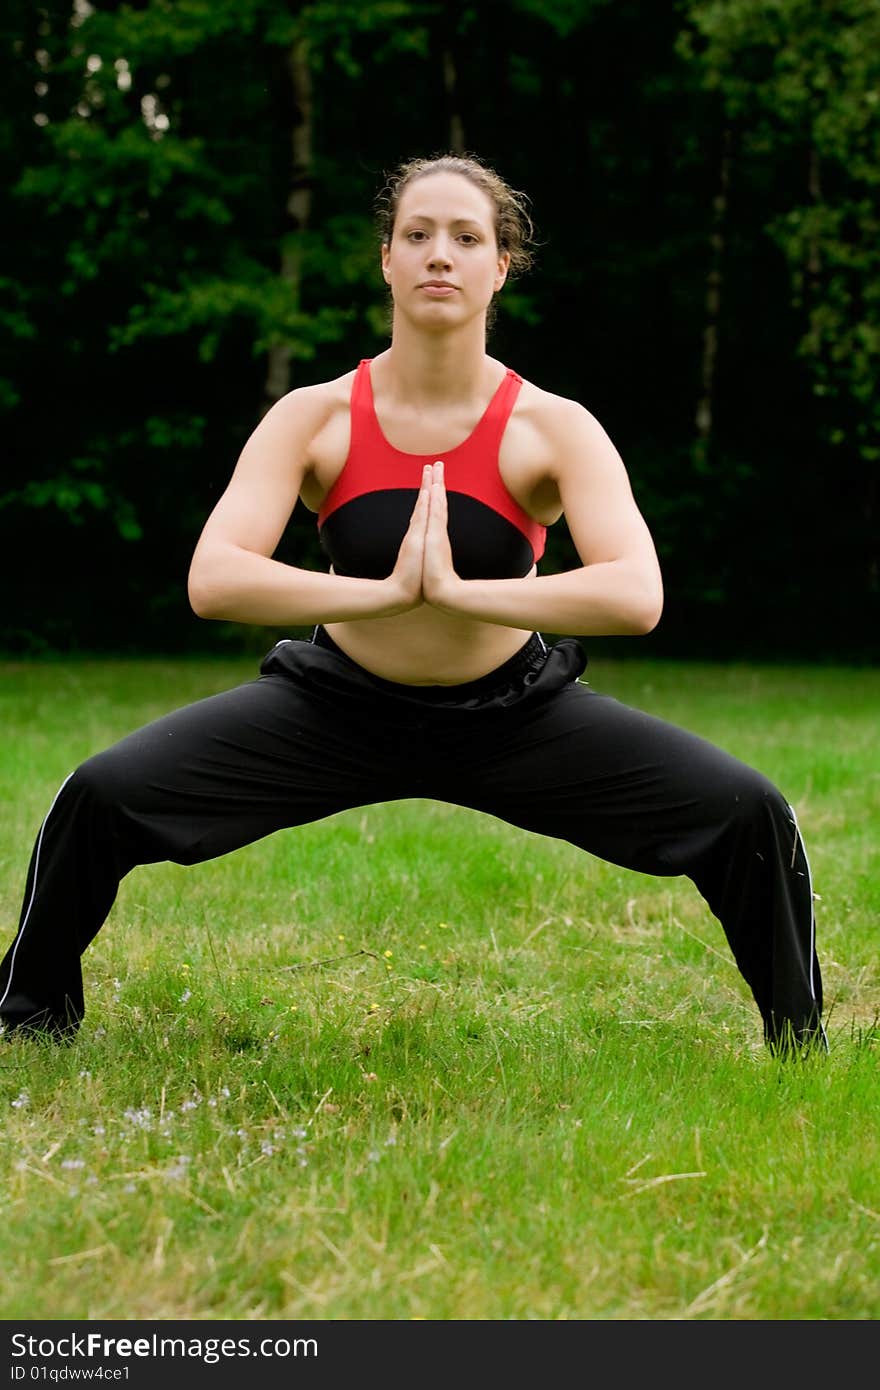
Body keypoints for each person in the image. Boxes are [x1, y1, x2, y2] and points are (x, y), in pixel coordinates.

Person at [0, 153, 825, 1054]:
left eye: (467, 237)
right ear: (386, 259)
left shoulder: (551, 426)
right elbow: (216, 576)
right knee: (100, 794)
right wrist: (383, 593)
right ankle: (31, 1019)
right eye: (418, 235)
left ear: (499, 266)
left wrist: (467, 593)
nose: (441, 254)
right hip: (333, 708)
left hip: (514, 717)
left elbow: (637, 592)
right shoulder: (315, 417)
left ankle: (800, 1042)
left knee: (750, 811)